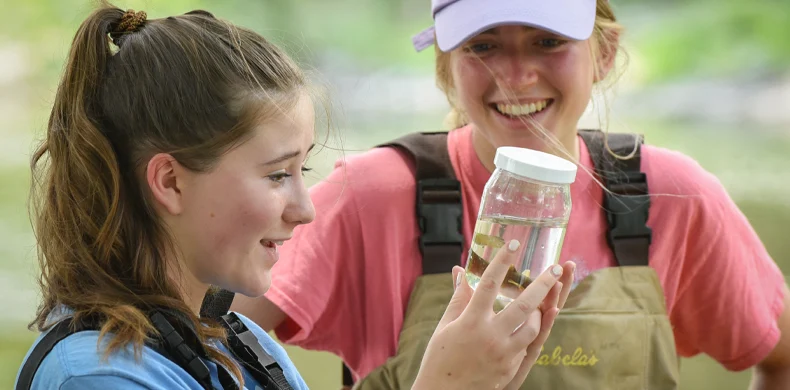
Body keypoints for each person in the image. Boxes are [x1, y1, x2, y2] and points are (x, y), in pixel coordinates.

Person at [13, 3, 575, 390]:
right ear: (170, 182)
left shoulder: (241, 342)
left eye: (303, 169)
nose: (305, 209)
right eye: (278, 175)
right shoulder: (97, 375)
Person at [232, 0, 790, 388]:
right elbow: (204, 342)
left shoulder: (672, 196)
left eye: (548, 42)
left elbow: (781, 358)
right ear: (445, 64)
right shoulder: (370, 196)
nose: (517, 75)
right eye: (485, 45)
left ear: (604, 52)